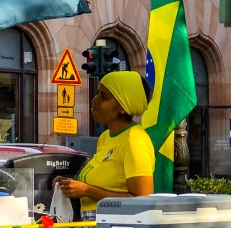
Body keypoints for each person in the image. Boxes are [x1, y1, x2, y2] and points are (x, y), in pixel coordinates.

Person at [53, 70, 155, 218]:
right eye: (97, 93)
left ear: (123, 107)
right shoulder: (105, 137)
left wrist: (88, 191)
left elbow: (142, 200)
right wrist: (71, 185)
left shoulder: (134, 140)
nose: (95, 100)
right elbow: (103, 184)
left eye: (104, 97)